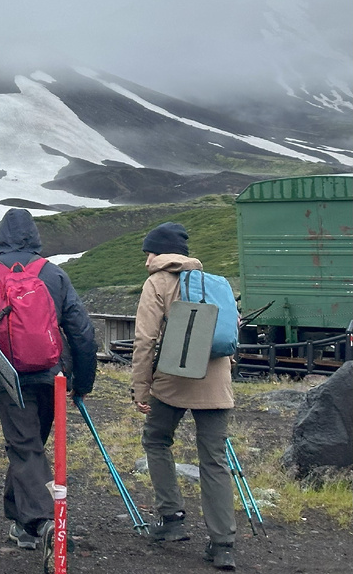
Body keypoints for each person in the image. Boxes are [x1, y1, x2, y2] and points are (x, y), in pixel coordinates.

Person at [0, 208, 97, 562]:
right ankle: (21, 523)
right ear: (35, 237)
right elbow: (82, 331)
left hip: (11, 378)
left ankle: (44, 522)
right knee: (29, 446)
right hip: (53, 375)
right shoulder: (53, 273)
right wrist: (82, 382)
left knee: (25, 448)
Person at [131, 222, 236, 571]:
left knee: (156, 439)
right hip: (216, 379)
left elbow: (145, 339)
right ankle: (223, 545)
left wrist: (141, 387)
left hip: (174, 379)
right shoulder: (213, 282)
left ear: (158, 253)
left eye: (148, 252)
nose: (146, 259)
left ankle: (171, 518)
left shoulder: (157, 282)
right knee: (214, 459)